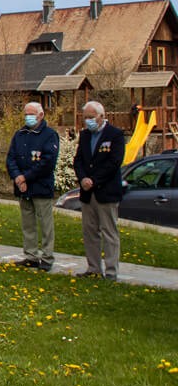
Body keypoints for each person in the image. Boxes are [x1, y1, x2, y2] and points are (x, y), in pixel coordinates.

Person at [73, 100, 125, 280]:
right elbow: (78, 160)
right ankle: (94, 268)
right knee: (90, 232)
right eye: (85, 117)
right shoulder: (85, 135)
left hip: (106, 191)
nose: (88, 120)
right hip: (87, 193)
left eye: (91, 117)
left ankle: (111, 271)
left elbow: (114, 162)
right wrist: (83, 179)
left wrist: (94, 180)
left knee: (109, 232)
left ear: (101, 116)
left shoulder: (115, 135)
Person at [6, 101, 60, 271]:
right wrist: (17, 177)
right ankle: (30, 255)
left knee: (45, 225)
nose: (27, 117)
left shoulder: (49, 135)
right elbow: (11, 158)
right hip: (23, 187)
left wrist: (25, 177)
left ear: (40, 115)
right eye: (25, 114)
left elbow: (47, 162)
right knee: (28, 224)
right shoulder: (19, 134)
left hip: (40, 186)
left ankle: (47, 257)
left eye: (31, 114)